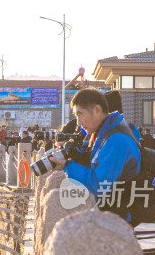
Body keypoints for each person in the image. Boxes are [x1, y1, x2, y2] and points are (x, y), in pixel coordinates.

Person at [51, 88, 141, 222]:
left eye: (80, 114)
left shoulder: (116, 140)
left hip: (116, 220)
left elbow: (99, 185)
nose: (78, 122)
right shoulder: (103, 134)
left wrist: (68, 166)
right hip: (107, 214)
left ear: (97, 110)